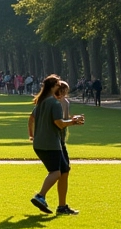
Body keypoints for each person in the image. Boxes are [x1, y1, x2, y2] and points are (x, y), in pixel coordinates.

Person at [28, 74, 85, 215]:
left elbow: (32, 119)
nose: (60, 87)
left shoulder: (42, 102)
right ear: (53, 87)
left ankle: (62, 206)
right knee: (56, 172)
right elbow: (59, 123)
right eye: (58, 85)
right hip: (51, 143)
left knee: (64, 171)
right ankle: (40, 196)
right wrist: (74, 121)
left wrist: (32, 134)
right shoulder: (54, 103)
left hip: (43, 143)